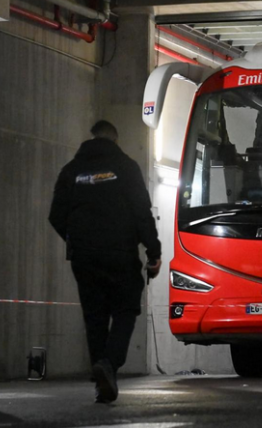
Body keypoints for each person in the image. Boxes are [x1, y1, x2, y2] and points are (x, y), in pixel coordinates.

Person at [49, 120, 161, 404]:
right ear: (115, 139)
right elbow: (141, 211)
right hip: (120, 252)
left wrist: (76, 239)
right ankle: (109, 364)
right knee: (125, 308)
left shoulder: (71, 170)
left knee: (95, 315)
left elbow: (55, 215)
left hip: (84, 256)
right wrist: (153, 251)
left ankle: (102, 383)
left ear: (92, 137)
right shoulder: (126, 167)